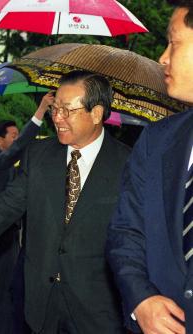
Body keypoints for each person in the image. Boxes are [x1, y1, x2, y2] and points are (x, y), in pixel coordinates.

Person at [0, 70, 130, 333]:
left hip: (98, 310)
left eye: (67, 110)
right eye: (55, 108)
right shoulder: (39, 155)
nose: (57, 118)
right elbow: (8, 203)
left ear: (96, 113)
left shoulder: (129, 164)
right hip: (40, 305)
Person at [106, 1, 193, 333]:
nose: (163, 57)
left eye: (175, 42)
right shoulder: (157, 140)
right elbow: (126, 230)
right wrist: (141, 300)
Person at [0, 92, 53, 334]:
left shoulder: (10, 167)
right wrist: (39, 112)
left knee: (6, 294)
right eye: (13, 136)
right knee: (0, 295)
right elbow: (18, 149)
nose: (17, 140)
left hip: (8, 236)